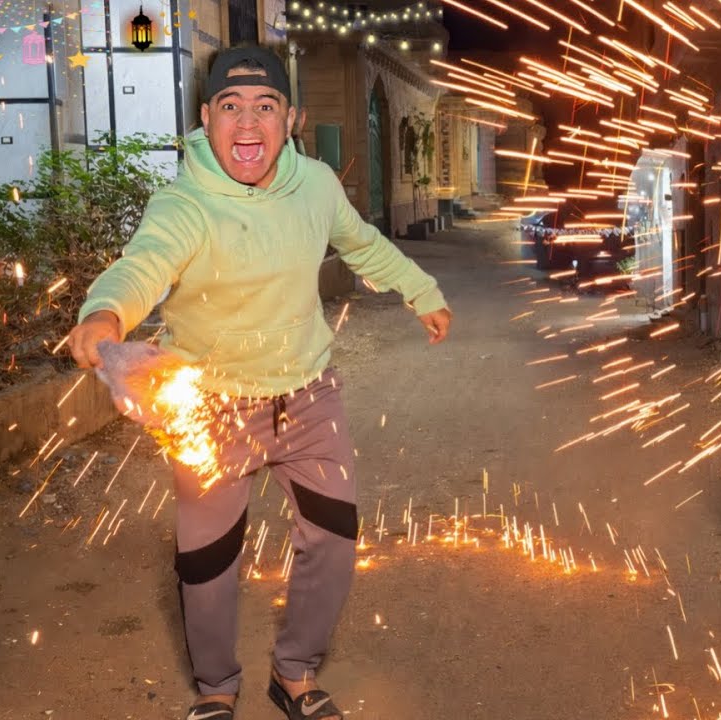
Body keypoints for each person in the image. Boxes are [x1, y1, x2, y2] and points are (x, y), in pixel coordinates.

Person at [66, 46, 452, 720]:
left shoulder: (316, 185)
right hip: (209, 411)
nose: (248, 125)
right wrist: (102, 320)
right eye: (232, 108)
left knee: (334, 539)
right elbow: (140, 267)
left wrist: (420, 290)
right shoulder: (184, 203)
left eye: (265, 107)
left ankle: (294, 673)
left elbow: (360, 240)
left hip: (308, 396)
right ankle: (216, 688)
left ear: (292, 118)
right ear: (208, 118)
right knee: (207, 561)